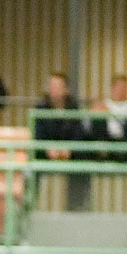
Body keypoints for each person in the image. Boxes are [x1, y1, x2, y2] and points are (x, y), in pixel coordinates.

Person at [33, 71, 92, 211]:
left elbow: (80, 134)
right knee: (30, 162)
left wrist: (68, 149)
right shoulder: (40, 108)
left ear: (66, 89)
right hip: (45, 151)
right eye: (51, 86)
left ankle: (76, 206)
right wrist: (47, 148)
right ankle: (31, 204)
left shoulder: (74, 109)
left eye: (58, 86)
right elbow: (37, 134)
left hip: (68, 152)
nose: (54, 90)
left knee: (83, 162)